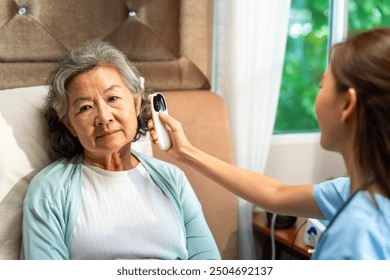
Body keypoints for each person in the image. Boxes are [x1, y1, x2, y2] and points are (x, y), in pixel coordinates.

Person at [149, 28, 390, 260]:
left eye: (321, 86)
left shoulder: (354, 237)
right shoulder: (359, 192)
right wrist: (186, 151)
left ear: (347, 104)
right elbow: (276, 194)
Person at [20, 40, 220, 260]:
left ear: (136, 104)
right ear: (70, 125)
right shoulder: (50, 190)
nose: (104, 117)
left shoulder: (172, 179)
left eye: (113, 98)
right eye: (85, 107)